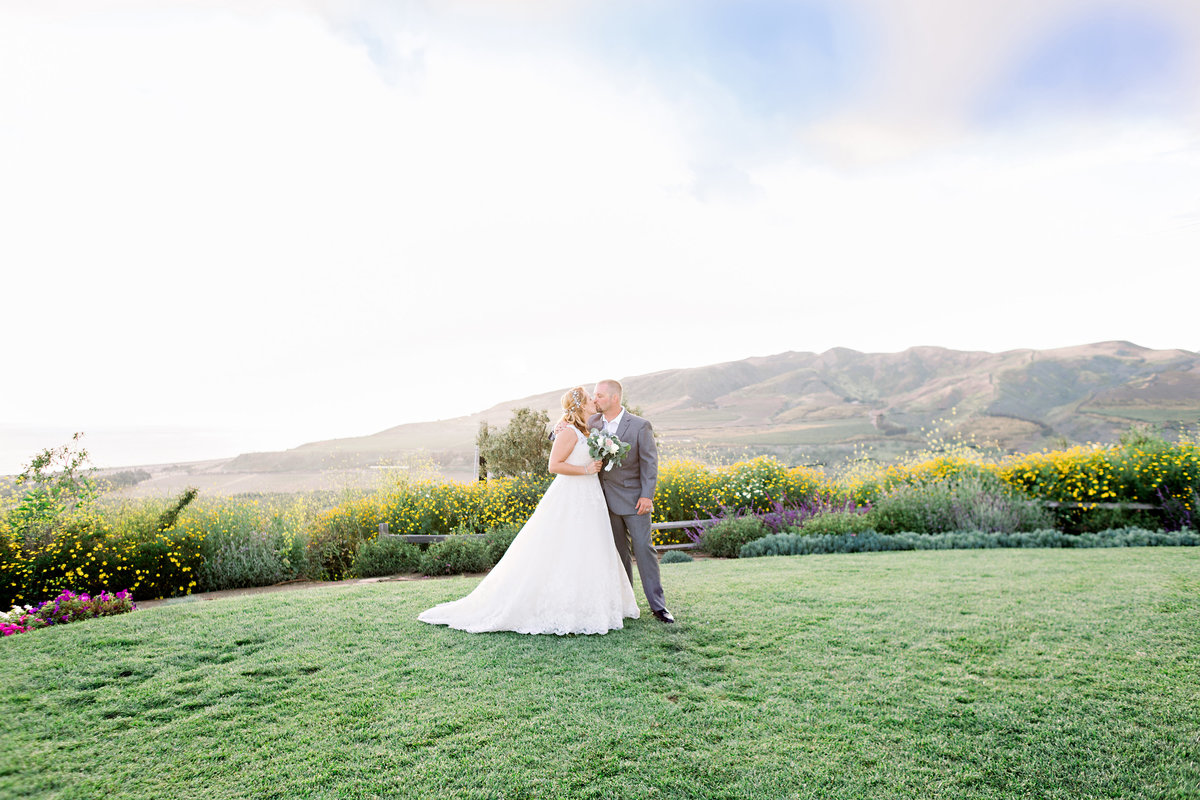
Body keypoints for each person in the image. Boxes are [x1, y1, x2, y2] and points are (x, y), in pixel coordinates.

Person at [418, 387, 640, 635]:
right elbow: (554, 465)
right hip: (571, 496)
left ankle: (595, 605)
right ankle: (563, 607)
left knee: (589, 547)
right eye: (589, 399)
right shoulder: (568, 432)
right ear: (580, 406)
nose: (593, 402)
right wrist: (586, 470)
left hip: (590, 498)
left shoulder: (588, 428)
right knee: (562, 547)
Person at [590, 379, 674, 623]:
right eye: (594, 396)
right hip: (604, 500)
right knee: (618, 553)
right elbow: (569, 437)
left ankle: (658, 606)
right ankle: (625, 602)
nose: (595, 400)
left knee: (643, 550)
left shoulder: (639, 426)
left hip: (635, 500)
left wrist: (647, 495)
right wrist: (558, 430)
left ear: (615, 398)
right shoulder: (593, 422)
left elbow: (650, 462)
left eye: (599, 396)